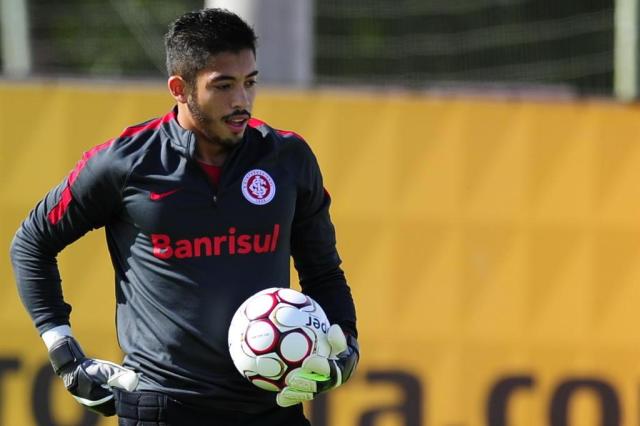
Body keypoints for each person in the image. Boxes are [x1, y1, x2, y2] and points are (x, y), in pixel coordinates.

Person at [10, 8, 358, 426]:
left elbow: (322, 271)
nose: (241, 101)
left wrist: (345, 344)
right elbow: (32, 242)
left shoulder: (288, 158)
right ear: (180, 88)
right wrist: (63, 350)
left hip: (271, 407)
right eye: (223, 86)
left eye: (250, 83)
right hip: (160, 408)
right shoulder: (124, 163)